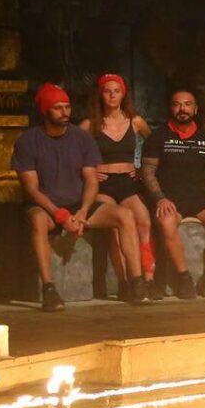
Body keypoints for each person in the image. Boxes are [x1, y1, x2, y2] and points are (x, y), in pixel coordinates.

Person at [14, 84, 147, 310]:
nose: (64, 112)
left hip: (78, 205)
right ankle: (49, 289)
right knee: (37, 220)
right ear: (45, 111)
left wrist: (84, 210)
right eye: (58, 108)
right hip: (48, 207)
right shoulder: (27, 141)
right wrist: (60, 215)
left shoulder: (81, 137)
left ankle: (136, 283)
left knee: (125, 215)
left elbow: (91, 180)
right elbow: (32, 190)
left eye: (67, 107)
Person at [140, 88, 205, 299]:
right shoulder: (158, 137)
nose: (182, 109)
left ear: (195, 109)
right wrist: (160, 198)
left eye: (187, 104)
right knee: (166, 222)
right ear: (171, 108)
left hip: (201, 199)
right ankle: (184, 278)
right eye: (177, 104)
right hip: (171, 200)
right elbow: (147, 172)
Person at [80, 73, 154, 297]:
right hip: (103, 185)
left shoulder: (135, 121)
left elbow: (154, 147)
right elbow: (70, 153)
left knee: (143, 220)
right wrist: (90, 171)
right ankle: (125, 283)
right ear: (100, 95)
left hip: (127, 182)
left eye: (117, 91)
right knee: (115, 225)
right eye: (107, 91)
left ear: (123, 94)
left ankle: (147, 278)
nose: (112, 95)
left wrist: (140, 169)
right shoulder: (90, 124)